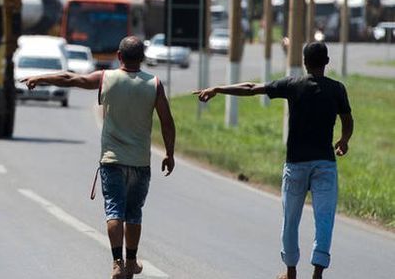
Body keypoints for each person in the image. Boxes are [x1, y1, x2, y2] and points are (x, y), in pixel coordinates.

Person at [194, 42, 353, 279]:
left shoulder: (292, 84)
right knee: (325, 219)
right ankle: (318, 273)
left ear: (304, 62)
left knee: (290, 219)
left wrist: (218, 88)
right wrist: (343, 140)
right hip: (325, 164)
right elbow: (347, 120)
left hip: (296, 164)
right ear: (327, 62)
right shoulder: (337, 89)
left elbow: (250, 88)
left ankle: (290, 272)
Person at [21, 36, 176, 279]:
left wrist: (40, 78)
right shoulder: (154, 84)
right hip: (139, 162)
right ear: (143, 58)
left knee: (114, 210)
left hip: (112, 160)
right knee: (134, 212)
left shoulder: (106, 78)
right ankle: (132, 261)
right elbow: (167, 122)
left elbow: (71, 78)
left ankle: (117, 262)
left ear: (119, 56)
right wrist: (169, 153)